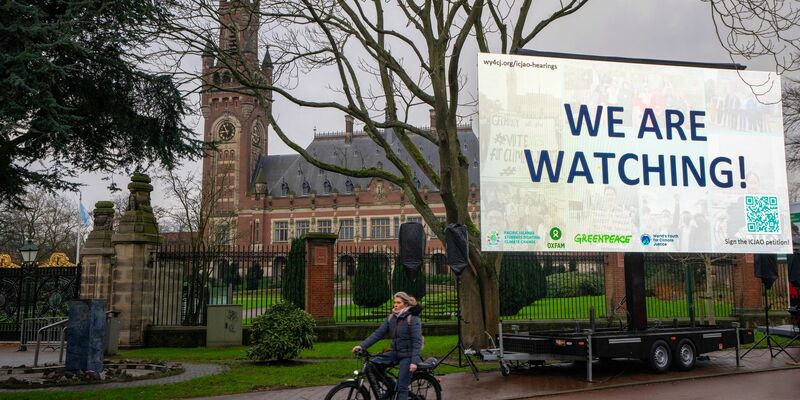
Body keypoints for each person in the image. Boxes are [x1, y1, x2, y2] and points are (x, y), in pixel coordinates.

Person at [352, 292, 422, 400]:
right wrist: (362, 346)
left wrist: (414, 362)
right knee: (371, 366)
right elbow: (378, 334)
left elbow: (417, 341)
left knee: (402, 387)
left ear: (406, 304)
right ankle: (392, 387)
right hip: (395, 352)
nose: (395, 305)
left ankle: (399, 390)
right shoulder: (391, 317)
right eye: (394, 302)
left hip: (408, 355)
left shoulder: (412, 318)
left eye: (398, 302)